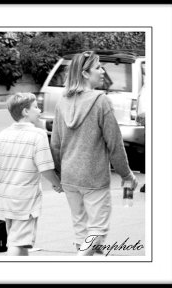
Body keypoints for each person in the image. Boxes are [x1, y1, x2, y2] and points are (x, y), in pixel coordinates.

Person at [50, 51, 138, 256]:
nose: (102, 71)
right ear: (85, 73)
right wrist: (127, 175)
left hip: (70, 177)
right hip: (94, 177)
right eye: (98, 67)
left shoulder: (63, 102)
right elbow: (115, 144)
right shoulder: (101, 102)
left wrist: (58, 177)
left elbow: (55, 144)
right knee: (97, 230)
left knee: (81, 231)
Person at [0, 92, 63, 256]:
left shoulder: (2, 135)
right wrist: (58, 184)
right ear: (25, 112)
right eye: (35, 107)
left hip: (6, 198)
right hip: (25, 200)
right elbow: (45, 168)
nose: (39, 110)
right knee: (16, 243)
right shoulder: (38, 135)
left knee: (19, 242)